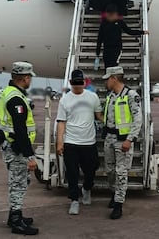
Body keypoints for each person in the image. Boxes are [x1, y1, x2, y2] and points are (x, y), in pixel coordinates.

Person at [0, 61, 39, 235]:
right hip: (17, 148)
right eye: (30, 77)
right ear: (25, 78)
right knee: (18, 184)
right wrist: (30, 156)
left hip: (12, 144)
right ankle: (16, 221)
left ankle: (14, 215)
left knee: (19, 182)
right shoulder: (16, 99)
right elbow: (21, 130)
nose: (31, 80)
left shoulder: (10, 93)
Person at [56, 69, 103, 215]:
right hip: (71, 142)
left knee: (92, 169)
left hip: (89, 142)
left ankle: (87, 188)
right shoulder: (65, 100)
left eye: (80, 82)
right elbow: (61, 122)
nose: (77, 85)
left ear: (84, 82)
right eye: (74, 83)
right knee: (72, 173)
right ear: (71, 83)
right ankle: (74, 200)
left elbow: (99, 116)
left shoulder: (93, 97)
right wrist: (59, 142)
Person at [102, 66, 142, 220]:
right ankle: (114, 193)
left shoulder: (131, 95)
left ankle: (119, 203)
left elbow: (138, 119)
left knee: (121, 172)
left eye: (107, 79)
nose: (105, 82)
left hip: (123, 140)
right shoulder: (111, 96)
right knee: (110, 170)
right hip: (109, 139)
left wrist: (129, 139)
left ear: (114, 78)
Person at [96, 4, 149, 68]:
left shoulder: (120, 22)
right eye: (109, 14)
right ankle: (108, 77)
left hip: (116, 48)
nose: (110, 16)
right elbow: (100, 38)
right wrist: (98, 52)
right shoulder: (104, 23)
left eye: (112, 14)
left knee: (114, 66)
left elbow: (129, 31)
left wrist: (142, 32)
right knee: (107, 67)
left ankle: (114, 77)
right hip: (107, 48)